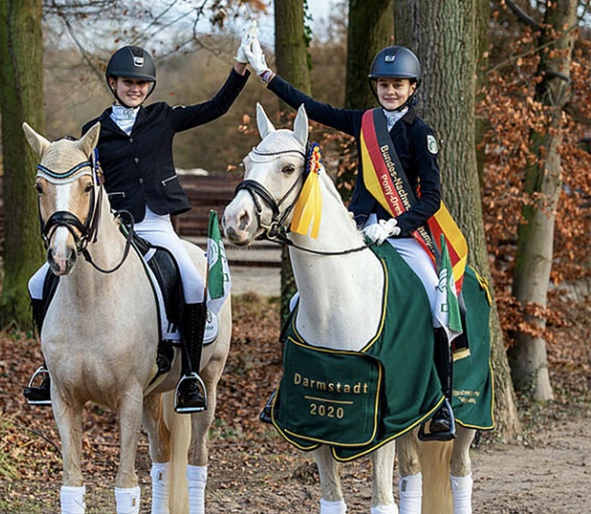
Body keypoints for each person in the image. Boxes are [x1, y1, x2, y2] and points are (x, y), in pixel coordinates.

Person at [242, 32, 458, 440]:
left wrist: (396, 224)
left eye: (397, 85)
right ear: (375, 87)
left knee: (437, 302)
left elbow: (432, 198)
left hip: (403, 235)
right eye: (383, 85)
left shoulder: (419, 133)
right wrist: (265, 74)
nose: (390, 91)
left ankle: (442, 403)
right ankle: (287, 392)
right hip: (358, 228)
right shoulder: (365, 122)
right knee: (298, 299)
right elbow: (315, 109)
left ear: (412, 88)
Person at [24, 38, 251, 413]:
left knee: (193, 282)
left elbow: (217, 106)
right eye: (128, 82)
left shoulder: (163, 116)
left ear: (149, 88)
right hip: (112, 229)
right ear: (113, 84)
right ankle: (49, 369)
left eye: (142, 83)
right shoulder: (92, 130)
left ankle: (190, 377)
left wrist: (239, 69)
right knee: (38, 281)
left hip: (157, 224)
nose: (135, 88)